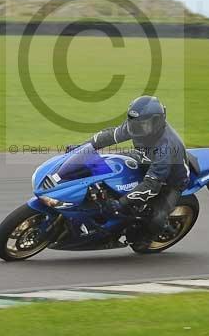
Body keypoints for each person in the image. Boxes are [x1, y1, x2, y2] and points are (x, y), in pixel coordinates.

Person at [67, 95, 189, 244]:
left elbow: (152, 185)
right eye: (134, 124)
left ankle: (145, 239)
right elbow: (109, 136)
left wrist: (121, 203)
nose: (135, 129)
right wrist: (82, 148)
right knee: (106, 165)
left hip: (169, 181)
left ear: (157, 122)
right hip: (143, 159)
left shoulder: (167, 147)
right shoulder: (139, 125)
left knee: (156, 220)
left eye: (141, 125)